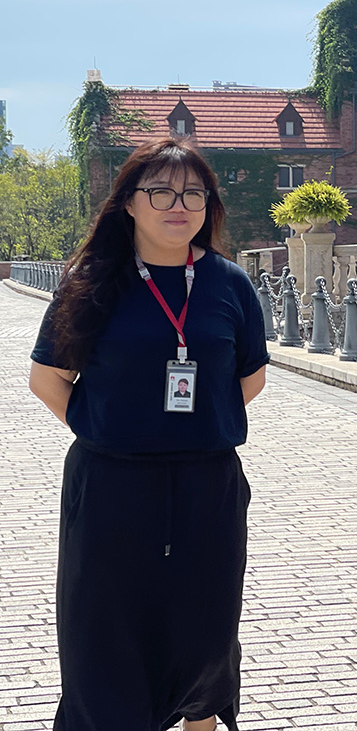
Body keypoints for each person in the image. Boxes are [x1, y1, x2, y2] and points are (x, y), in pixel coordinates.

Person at [28, 137, 269, 731]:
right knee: (106, 632)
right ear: (130, 203)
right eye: (160, 191)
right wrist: (110, 427)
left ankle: (199, 720)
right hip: (111, 486)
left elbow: (250, 377)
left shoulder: (229, 283)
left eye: (192, 193)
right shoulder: (91, 281)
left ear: (209, 205)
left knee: (205, 630)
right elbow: (47, 378)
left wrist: (191, 425)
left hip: (206, 486)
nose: (178, 205)